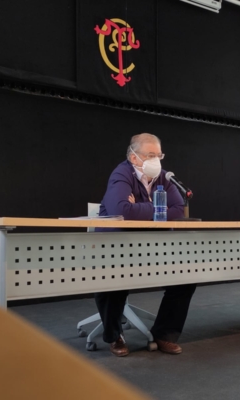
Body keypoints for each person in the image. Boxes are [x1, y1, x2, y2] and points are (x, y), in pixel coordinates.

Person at [94, 133, 196, 356]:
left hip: (152, 245)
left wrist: (140, 207)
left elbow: (179, 211)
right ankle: (114, 336)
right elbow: (121, 211)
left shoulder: (163, 178)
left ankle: (164, 334)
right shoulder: (121, 174)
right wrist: (158, 209)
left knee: (187, 277)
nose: (156, 160)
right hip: (115, 245)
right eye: (150, 155)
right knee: (112, 279)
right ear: (133, 157)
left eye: (158, 155)